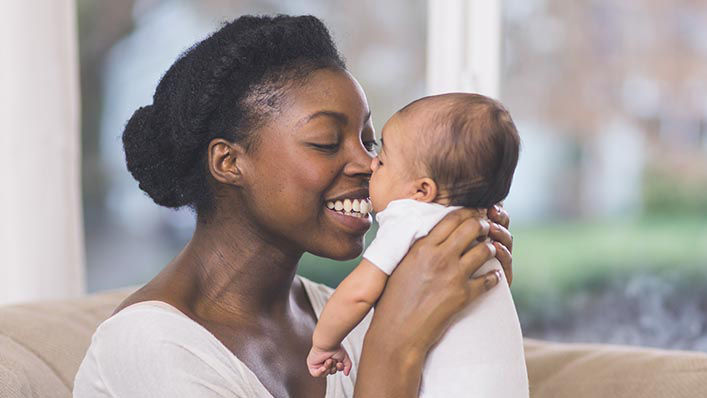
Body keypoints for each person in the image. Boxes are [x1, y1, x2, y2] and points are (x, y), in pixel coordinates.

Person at [73, 15, 515, 398]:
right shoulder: (153, 345)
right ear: (229, 162)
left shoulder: (344, 314)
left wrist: (470, 305)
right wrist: (393, 348)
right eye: (326, 142)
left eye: (370, 141)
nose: (367, 163)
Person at [307, 93, 528, 397]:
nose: (371, 164)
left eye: (381, 159)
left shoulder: (411, 218)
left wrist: (324, 343)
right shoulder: (477, 230)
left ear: (422, 190)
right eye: (326, 142)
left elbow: (357, 294)